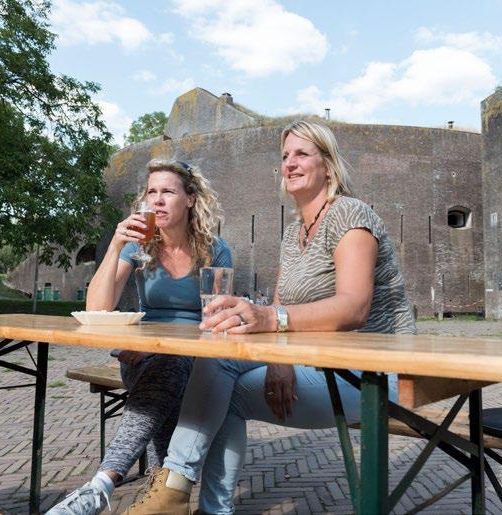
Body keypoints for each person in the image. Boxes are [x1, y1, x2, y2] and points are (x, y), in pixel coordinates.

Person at [123, 120, 415, 514]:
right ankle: (186, 496)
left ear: (328, 166)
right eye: (284, 156)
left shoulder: (351, 215)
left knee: (223, 388)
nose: (289, 164)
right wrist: (278, 356)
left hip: (374, 372)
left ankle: (178, 490)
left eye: (302, 154)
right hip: (317, 362)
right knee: (216, 364)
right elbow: (282, 303)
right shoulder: (294, 233)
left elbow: (353, 307)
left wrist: (269, 318)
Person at [47, 158, 231, 515]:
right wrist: (115, 245)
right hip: (143, 356)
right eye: (152, 192)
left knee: (172, 368)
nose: (157, 200)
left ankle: (102, 483)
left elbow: (216, 316)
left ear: (190, 199)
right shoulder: (139, 245)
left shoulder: (215, 249)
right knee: (167, 374)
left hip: (196, 356)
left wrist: (167, 344)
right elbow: (97, 309)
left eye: (168, 192)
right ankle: (158, 495)